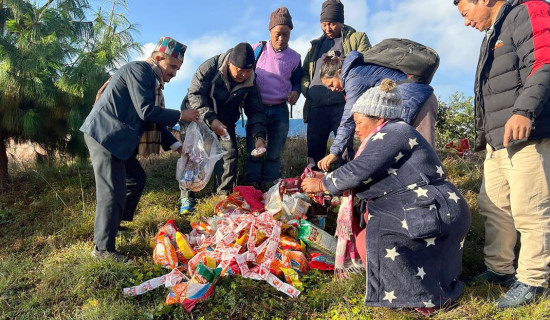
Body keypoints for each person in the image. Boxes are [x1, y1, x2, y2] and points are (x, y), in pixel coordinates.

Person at [302, 79, 471, 315]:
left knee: (374, 241)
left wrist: (322, 184)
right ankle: (423, 291)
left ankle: (421, 299)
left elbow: (359, 170)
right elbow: (364, 169)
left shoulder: (394, 132)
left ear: (379, 119)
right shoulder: (394, 133)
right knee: (366, 239)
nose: (357, 129)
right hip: (430, 207)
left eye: (360, 122)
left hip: (430, 211)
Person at [453, 0, 550, 309]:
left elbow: (545, 61)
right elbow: (488, 93)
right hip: (498, 143)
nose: (466, 23)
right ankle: (499, 270)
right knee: (493, 206)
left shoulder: (530, 10)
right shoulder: (492, 34)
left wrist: (524, 111)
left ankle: (534, 280)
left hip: (528, 134)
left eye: (466, 12)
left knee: (530, 209)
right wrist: (484, 139)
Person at [80, 36, 200, 261]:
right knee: (111, 192)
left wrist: (178, 147)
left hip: (117, 140)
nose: (174, 73)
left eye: (178, 68)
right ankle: (103, 250)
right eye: (172, 66)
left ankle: (111, 225)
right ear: (157, 58)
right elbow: (146, 111)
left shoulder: (150, 81)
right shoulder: (140, 70)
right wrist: (181, 115)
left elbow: (149, 121)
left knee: (135, 179)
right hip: (105, 136)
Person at [179, 42, 267, 214]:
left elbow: (256, 111)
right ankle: (187, 198)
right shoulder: (210, 67)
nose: (243, 75)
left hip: (225, 122)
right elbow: (195, 95)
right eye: (239, 70)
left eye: (247, 71)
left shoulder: (251, 81)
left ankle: (222, 197)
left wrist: (259, 138)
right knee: (193, 154)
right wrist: (211, 120)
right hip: (197, 115)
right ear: (229, 64)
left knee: (230, 154)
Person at [317, 50, 439, 171]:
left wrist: (335, 151)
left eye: (331, 84)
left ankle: (437, 187)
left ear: (339, 72)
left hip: (419, 102)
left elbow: (348, 119)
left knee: (426, 156)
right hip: (410, 102)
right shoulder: (358, 70)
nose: (332, 89)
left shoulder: (354, 78)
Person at [301, 0, 371, 169]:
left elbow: (368, 63)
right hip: (316, 107)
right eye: (324, 24)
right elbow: (304, 73)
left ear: (341, 21)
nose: (328, 28)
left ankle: (347, 189)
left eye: (332, 23)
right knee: (314, 151)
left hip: (343, 105)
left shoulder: (356, 38)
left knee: (345, 151)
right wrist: (308, 90)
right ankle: (314, 189)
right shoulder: (315, 46)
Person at [243, 6, 302, 192]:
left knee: (275, 151)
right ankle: (251, 187)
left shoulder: (295, 58)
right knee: (255, 150)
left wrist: (296, 92)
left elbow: (297, 82)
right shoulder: (257, 50)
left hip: (280, 110)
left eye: (286, 34)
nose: (281, 38)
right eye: (278, 33)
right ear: (270, 32)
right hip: (257, 108)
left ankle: (270, 186)